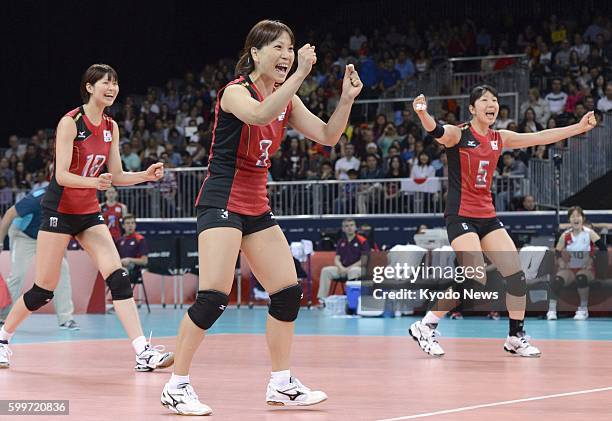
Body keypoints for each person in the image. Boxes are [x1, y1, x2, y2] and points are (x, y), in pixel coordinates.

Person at [160, 20, 362, 415]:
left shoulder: (285, 99)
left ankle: (281, 383)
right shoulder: (236, 93)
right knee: (214, 298)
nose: (286, 56)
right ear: (255, 53)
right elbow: (257, 115)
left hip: (256, 203)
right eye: (278, 48)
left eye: (290, 49)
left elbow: (327, 136)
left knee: (288, 292)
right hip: (221, 198)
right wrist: (302, 73)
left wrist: (346, 99)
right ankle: (176, 385)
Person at [0, 64, 173, 371]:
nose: (112, 87)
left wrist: (145, 176)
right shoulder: (70, 122)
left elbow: (116, 175)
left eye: (116, 82)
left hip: (88, 213)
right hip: (58, 211)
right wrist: (95, 182)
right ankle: (2, 339)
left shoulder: (111, 126)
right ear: (89, 87)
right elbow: (62, 175)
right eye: (105, 82)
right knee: (43, 290)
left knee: (118, 277)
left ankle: (143, 352)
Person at [409, 85, 597, 358]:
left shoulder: (500, 137)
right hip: (460, 216)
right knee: (474, 277)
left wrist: (578, 128)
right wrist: (422, 112)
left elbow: (540, 137)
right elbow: (436, 130)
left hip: (487, 216)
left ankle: (515, 336)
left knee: (516, 277)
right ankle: (426, 325)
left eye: (495, 100)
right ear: (472, 108)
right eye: (485, 100)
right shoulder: (459, 134)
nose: (492, 104)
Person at [0, 186, 79, 330]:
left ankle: (66, 319)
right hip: (23, 236)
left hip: (47, 238)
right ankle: (3, 316)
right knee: (18, 274)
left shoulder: (71, 200)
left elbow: (66, 227)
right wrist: (0, 242)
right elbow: (10, 214)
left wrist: (63, 251)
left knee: (63, 270)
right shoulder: (38, 198)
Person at [547, 207, 606, 321]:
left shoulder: (589, 233)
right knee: (556, 280)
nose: (576, 218)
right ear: (569, 220)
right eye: (573, 216)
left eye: (578, 216)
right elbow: (557, 252)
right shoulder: (566, 235)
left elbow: (603, 248)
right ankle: (551, 310)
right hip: (571, 269)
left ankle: (583, 309)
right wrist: (561, 262)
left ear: (582, 219)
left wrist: (591, 259)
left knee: (581, 278)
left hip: (586, 269)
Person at [317, 218, 370, 305]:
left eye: (351, 225)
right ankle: (322, 300)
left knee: (353, 271)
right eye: (346, 226)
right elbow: (337, 258)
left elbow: (364, 260)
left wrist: (348, 268)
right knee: (326, 271)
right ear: (343, 229)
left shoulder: (362, 240)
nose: (349, 228)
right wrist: (341, 267)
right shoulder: (341, 241)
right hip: (343, 269)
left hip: (358, 269)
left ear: (355, 227)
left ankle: (352, 301)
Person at [115, 214, 148, 284]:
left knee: (121, 273)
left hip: (134, 271)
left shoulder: (140, 239)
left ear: (135, 225)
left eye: (132, 223)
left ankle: (123, 294)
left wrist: (129, 260)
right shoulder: (119, 240)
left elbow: (144, 261)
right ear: (123, 226)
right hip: (119, 267)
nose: (130, 225)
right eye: (127, 223)